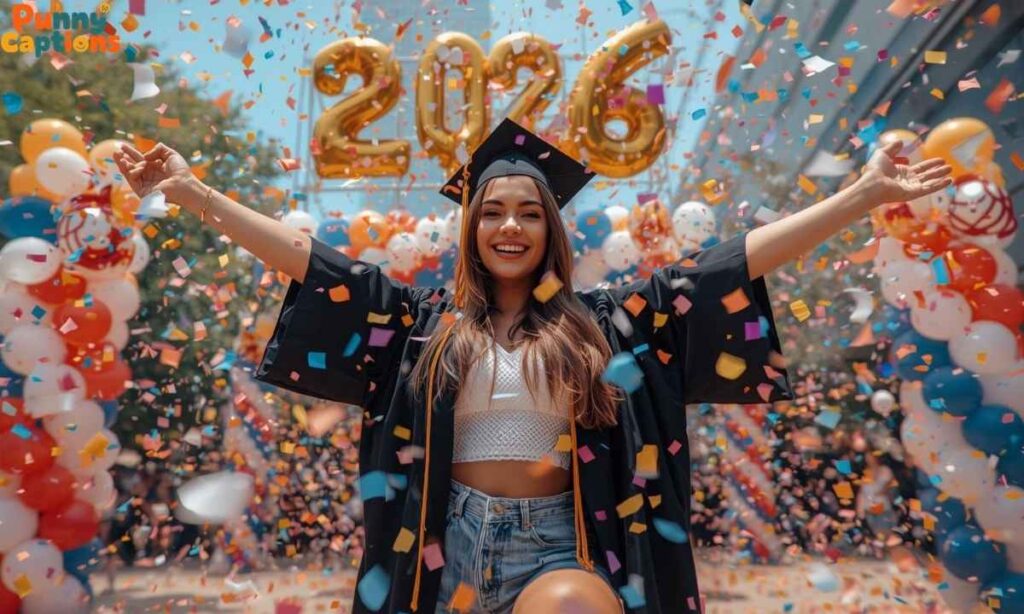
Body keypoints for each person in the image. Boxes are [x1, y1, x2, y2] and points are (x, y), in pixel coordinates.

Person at [114, 117, 951, 613]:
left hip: (564, 537)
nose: (509, 227)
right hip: (444, 537)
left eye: (527, 212)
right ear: (470, 230)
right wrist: (193, 193)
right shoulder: (419, 325)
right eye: (492, 213)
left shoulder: (607, 324)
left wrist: (861, 198)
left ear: (552, 228)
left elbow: (731, 267)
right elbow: (315, 265)